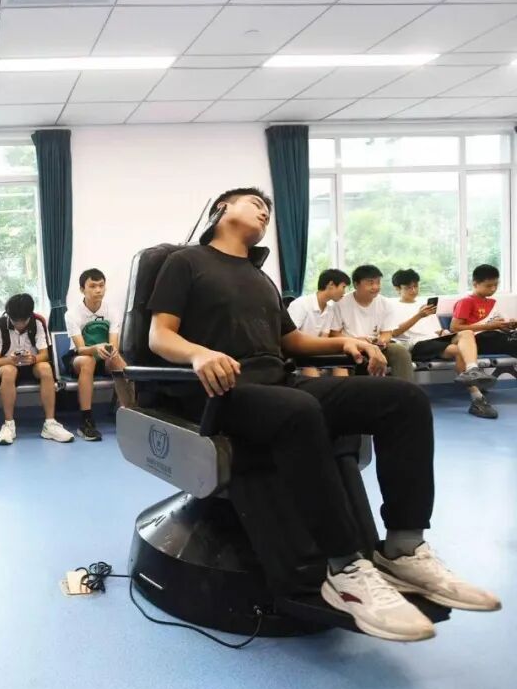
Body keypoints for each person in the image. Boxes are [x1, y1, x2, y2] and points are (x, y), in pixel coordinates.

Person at [148, 186, 499, 642]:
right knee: (299, 409)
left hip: (280, 384)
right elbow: (160, 335)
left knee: (403, 400)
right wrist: (199, 354)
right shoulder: (185, 262)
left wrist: (345, 342)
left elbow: (289, 342)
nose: (264, 212)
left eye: (268, 209)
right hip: (222, 392)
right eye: (254, 203)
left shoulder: (259, 277)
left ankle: (404, 546)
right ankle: (345, 567)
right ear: (220, 209)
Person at [388, 269, 497, 419]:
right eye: (408, 288)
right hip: (417, 344)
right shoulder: (392, 307)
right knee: (458, 351)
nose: (413, 291)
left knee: (467, 333)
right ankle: (477, 398)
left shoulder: (425, 305)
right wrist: (419, 316)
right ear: (397, 288)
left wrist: (443, 332)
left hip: (435, 339)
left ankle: (473, 369)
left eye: (416, 286)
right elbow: (394, 332)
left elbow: (435, 329)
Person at [0, 293, 74, 445]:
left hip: (32, 364)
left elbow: (45, 354)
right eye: (15, 321)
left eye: (24, 321)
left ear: (30, 315)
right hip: (7, 365)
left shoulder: (38, 322)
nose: (19, 325)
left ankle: (50, 424)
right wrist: (11, 360)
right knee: (9, 371)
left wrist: (33, 359)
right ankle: (9, 424)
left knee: (45, 368)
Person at [63, 269, 131, 441]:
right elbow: (80, 349)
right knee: (87, 361)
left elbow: (113, 344)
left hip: (104, 356)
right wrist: (95, 348)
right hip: (80, 358)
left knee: (118, 360)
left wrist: (111, 351)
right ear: (82, 289)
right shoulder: (72, 314)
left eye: (101, 286)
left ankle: (132, 414)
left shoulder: (112, 311)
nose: (98, 290)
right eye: (92, 286)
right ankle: (86, 420)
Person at [331, 265, 415, 382]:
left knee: (400, 351)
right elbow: (334, 334)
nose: (375, 287)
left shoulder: (385, 304)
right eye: (370, 283)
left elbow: (387, 333)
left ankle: (405, 389)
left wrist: (381, 341)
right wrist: (357, 341)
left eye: (378, 282)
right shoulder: (341, 303)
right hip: (350, 347)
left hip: (376, 346)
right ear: (356, 284)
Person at [286, 269, 349, 377]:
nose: (344, 292)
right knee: (310, 366)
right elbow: (290, 336)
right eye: (343, 287)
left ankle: (344, 387)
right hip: (298, 351)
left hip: (314, 350)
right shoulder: (301, 304)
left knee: (341, 364)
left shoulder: (330, 310)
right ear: (331, 284)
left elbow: (324, 337)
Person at [450, 264, 517, 358]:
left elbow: (498, 326)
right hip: (478, 339)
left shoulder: (492, 302)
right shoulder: (466, 302)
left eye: (496, 285)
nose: (493, 289)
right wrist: (488, 326)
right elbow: (454, 328)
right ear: (475, 284)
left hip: (495, 335)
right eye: (488, 286)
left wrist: (508, 326)